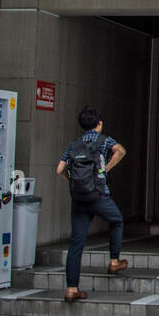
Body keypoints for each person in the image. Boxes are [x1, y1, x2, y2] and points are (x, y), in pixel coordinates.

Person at [56, 106, 127, 302]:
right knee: (117, 220)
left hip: (78, 199)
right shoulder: (104, 142)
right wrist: (105, 170)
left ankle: (72, 288)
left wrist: (73, 182)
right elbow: (121, 151)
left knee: (76, 244)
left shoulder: (74, 145)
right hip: (98, 196)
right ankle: (114, 260)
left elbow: (60, 169)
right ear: (99, 123)